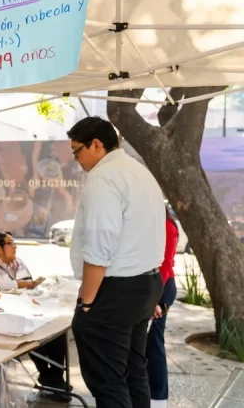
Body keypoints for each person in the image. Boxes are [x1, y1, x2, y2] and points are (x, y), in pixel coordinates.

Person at [68, 116, 164, 408]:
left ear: (96, 145)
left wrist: (86, 302)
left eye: (77, 151)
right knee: (134, 372)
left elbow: (99, 247)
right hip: (146, 283)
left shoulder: (103, 178)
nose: (76, 160)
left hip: (116, 290)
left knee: (109, 381)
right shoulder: (139, 171)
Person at [0, 231, 69, 399]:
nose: (15, 247)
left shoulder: (17, 262)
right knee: (32, 333)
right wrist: (22, 284)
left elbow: (29, 282)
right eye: (11, 244)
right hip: (6, 314)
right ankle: (49, 378)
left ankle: (55, 377)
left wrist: (23, 284)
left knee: (55, 332)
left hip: (28, 306)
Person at [147, 207, 180, 408]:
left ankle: (158, 400)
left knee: (153, 344)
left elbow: (165, 265)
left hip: (161, 288)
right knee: (144, 345)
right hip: (150, 288)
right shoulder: (148, 223)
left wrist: (153, 300)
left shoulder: (167, 226)